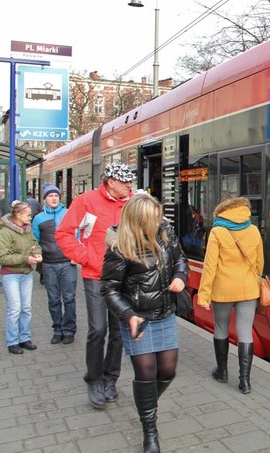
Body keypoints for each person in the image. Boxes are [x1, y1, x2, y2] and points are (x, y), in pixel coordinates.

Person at [101, 193, 188, 453]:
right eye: (155, 217)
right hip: (138, 320)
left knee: (168, 371)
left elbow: (180, 259)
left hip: (164, 315)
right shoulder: (119, 247)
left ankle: (147, 402)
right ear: (140, 220)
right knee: (146, 374)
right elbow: (109, 289)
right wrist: (129, 316)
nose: (161, 220)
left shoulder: (165, 233)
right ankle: (150, 431)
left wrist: (181, 276)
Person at [55, 162, 134, 409]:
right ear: (111, 182)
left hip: (124, 278)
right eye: (125, 183)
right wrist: (87, 258)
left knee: (119, 332)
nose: (130, 187)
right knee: (98, 329)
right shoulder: (86, 201)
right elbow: (64, 234)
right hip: (95, 276)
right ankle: (94, 380)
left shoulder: (132, 203)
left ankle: (111, 379)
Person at [197, 195, 264, 394]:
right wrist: (253, 282)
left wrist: (203, 295)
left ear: (223, 210)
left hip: (223, 290)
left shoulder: (217, 231)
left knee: (221, 328)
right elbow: (259, 264)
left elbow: (210, 267)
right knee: (245, 332)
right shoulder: (253, 230)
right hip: (248, 290)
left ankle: (223, 372)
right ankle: (245, 381)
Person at [32, 184, 77, 345]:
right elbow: (35, 240)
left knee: (69, 298)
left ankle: (69, 330)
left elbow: (76, 235)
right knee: (53, 300)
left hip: (67, 263)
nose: (54, 198)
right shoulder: (38, 219)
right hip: (49, 264)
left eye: (56, 196)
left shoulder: (68, 214)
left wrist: (75, 255)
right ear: (45, 199)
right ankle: (57, 330)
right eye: (51, 196)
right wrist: (37, 255)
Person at [0, 200, 42, 354]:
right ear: (18, 215)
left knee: (26, 308)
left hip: (26, 274)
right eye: (28, 215)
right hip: (11, 276)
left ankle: (24, 338)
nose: (31, 217)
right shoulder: (5, 233)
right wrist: (25, 258)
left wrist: (37, 254)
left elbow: (36, 245)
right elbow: (2, 258)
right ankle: (12, 341)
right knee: (15, 309)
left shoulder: (27, 230)